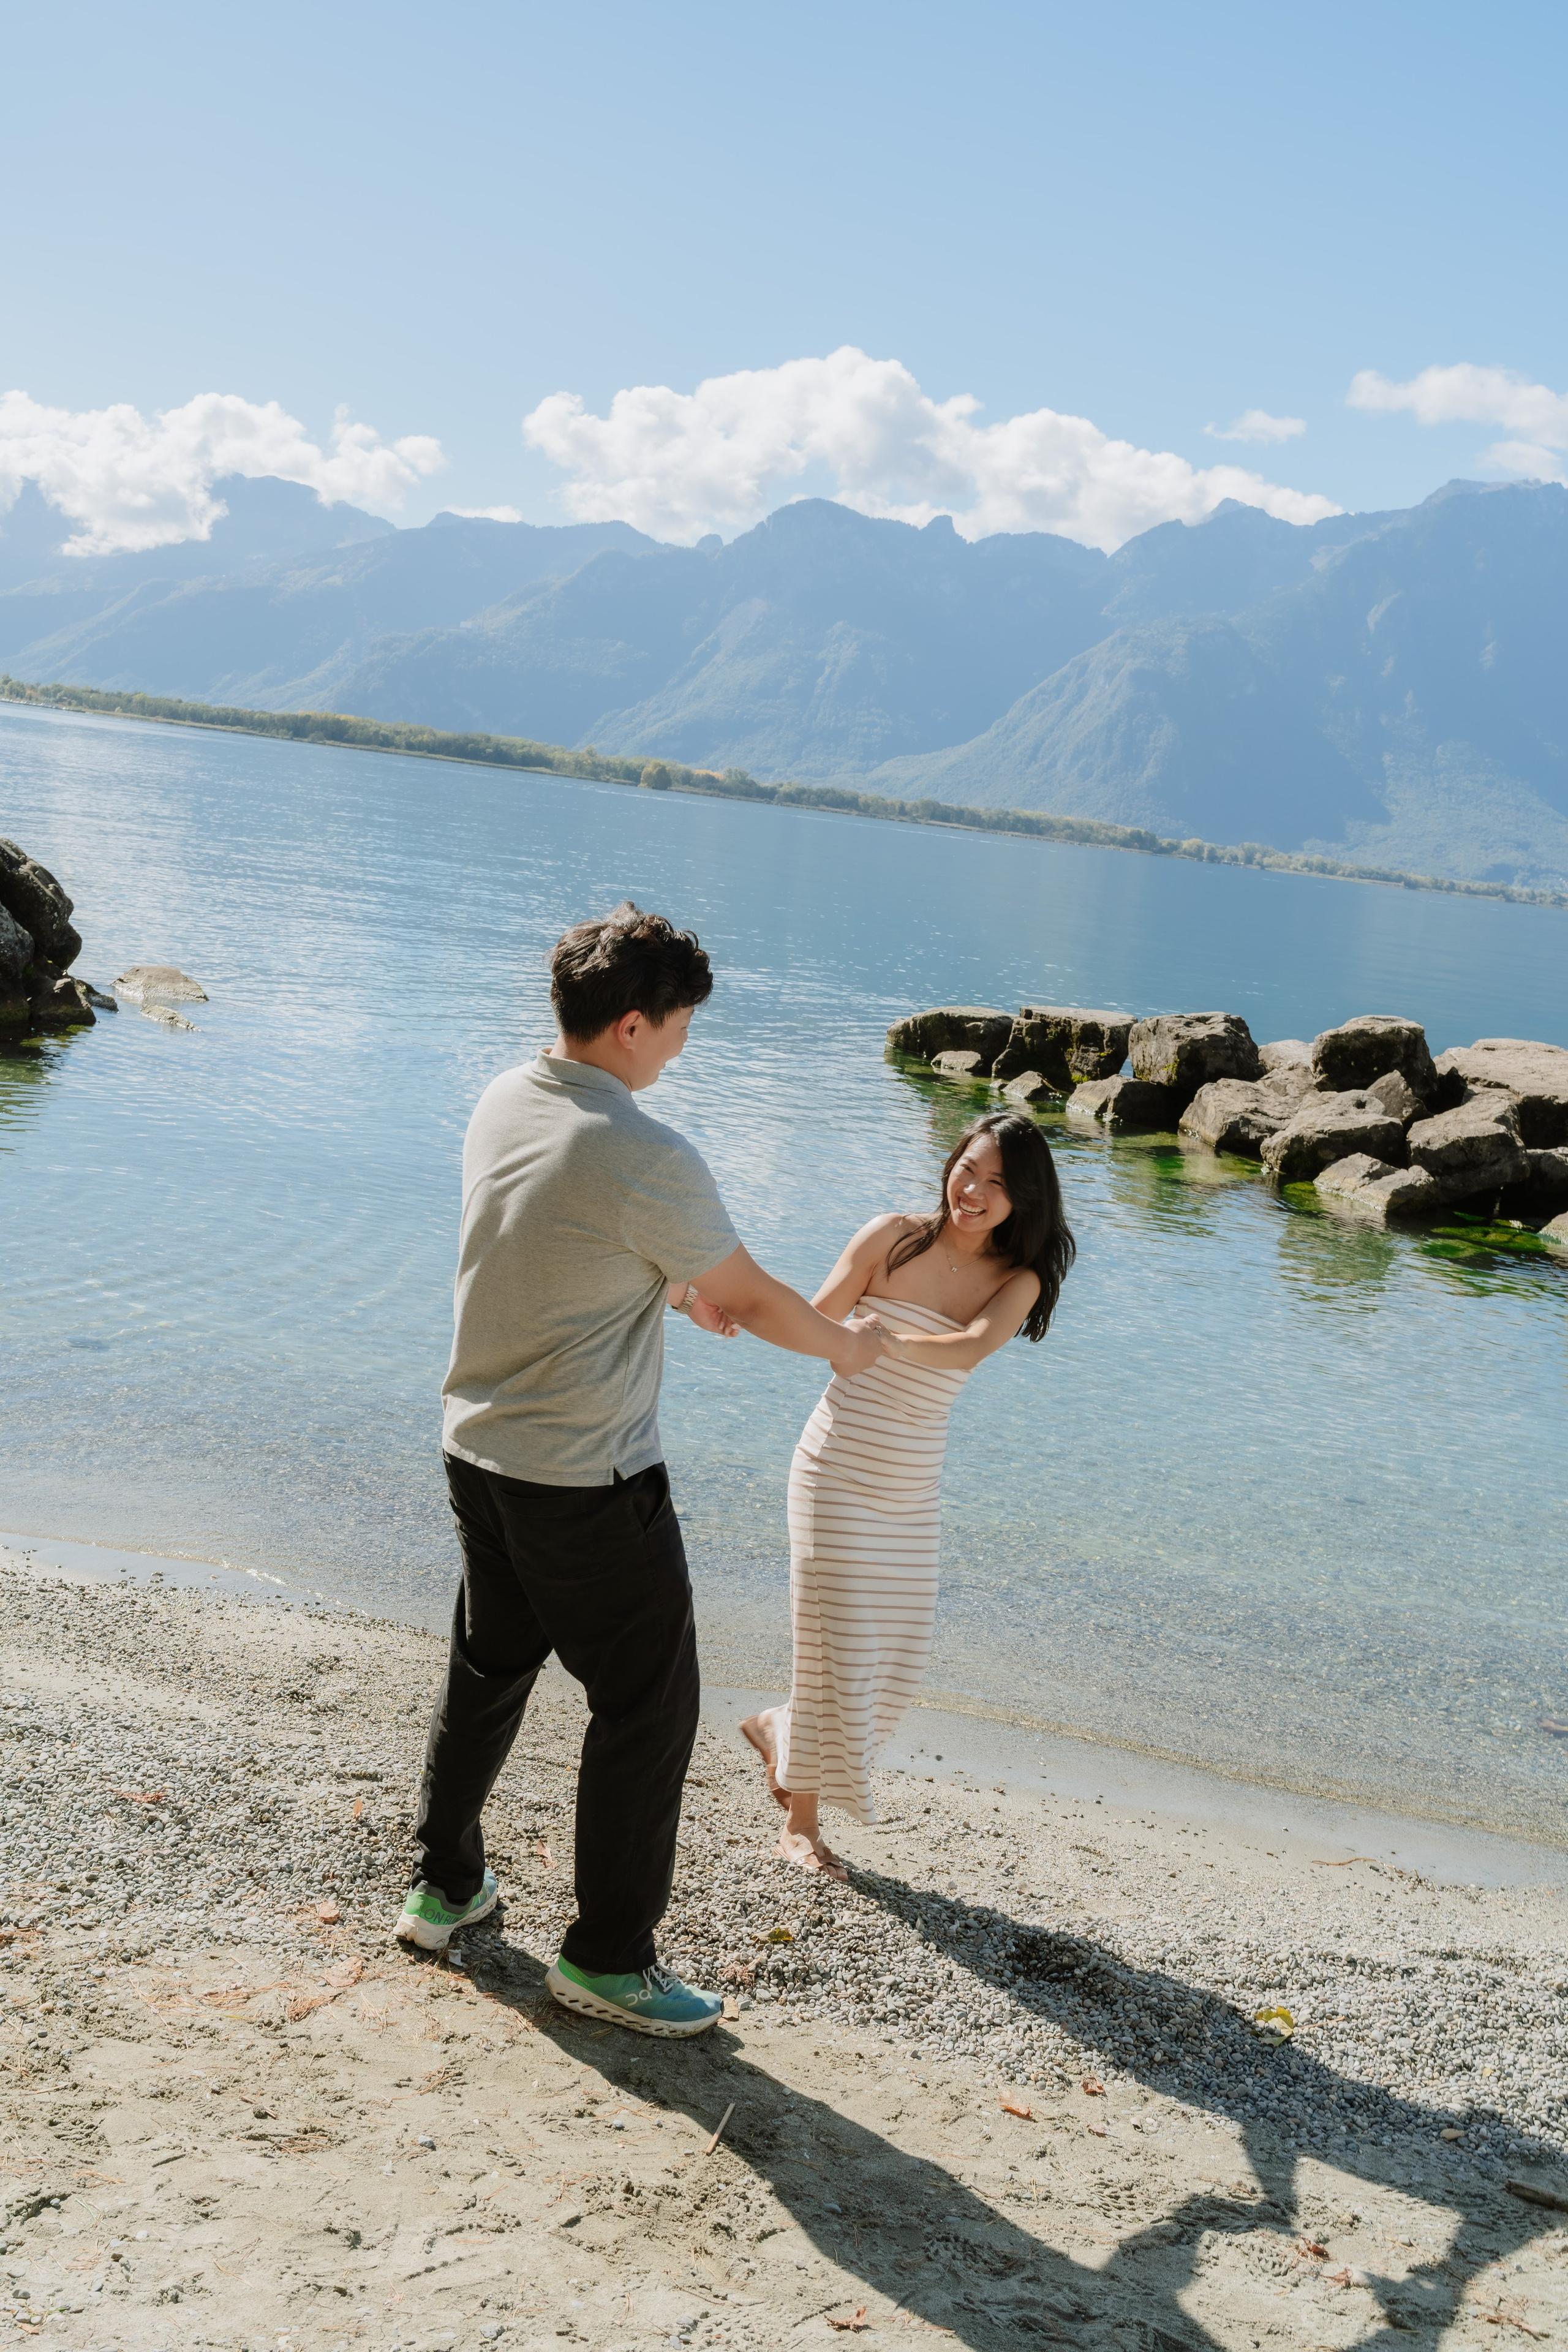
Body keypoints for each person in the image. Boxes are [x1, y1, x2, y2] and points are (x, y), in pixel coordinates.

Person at [395, 901, 883, 2040]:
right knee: (650, 1709)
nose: (681, 1047)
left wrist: (666, 1282)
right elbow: (759, 1297)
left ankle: (444, 1885)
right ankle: (608, 1960)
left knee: (490, 1666)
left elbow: (546, 1236)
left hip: (480, 1451)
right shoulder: (645, 1151)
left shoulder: (508, 1096)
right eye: (678, 1026)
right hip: (586, 1480)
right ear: (631, 1025)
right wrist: (846, 1346)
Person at [740, 1110, 1074, 1877]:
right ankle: (801, 1825)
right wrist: (733, 1300)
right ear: (949, 1163)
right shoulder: (889, 1238)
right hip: (833, 1469)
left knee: (894, 1658)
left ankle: (781, 1729)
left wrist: (883, 1339)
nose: (973, 1191)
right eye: (967, 1169)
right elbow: (817, 1319)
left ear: (1023, 1199)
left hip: (909, 1488)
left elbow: (969, 1346)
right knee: (833, 1648)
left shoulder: (1015, 1281)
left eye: (996, 1183)